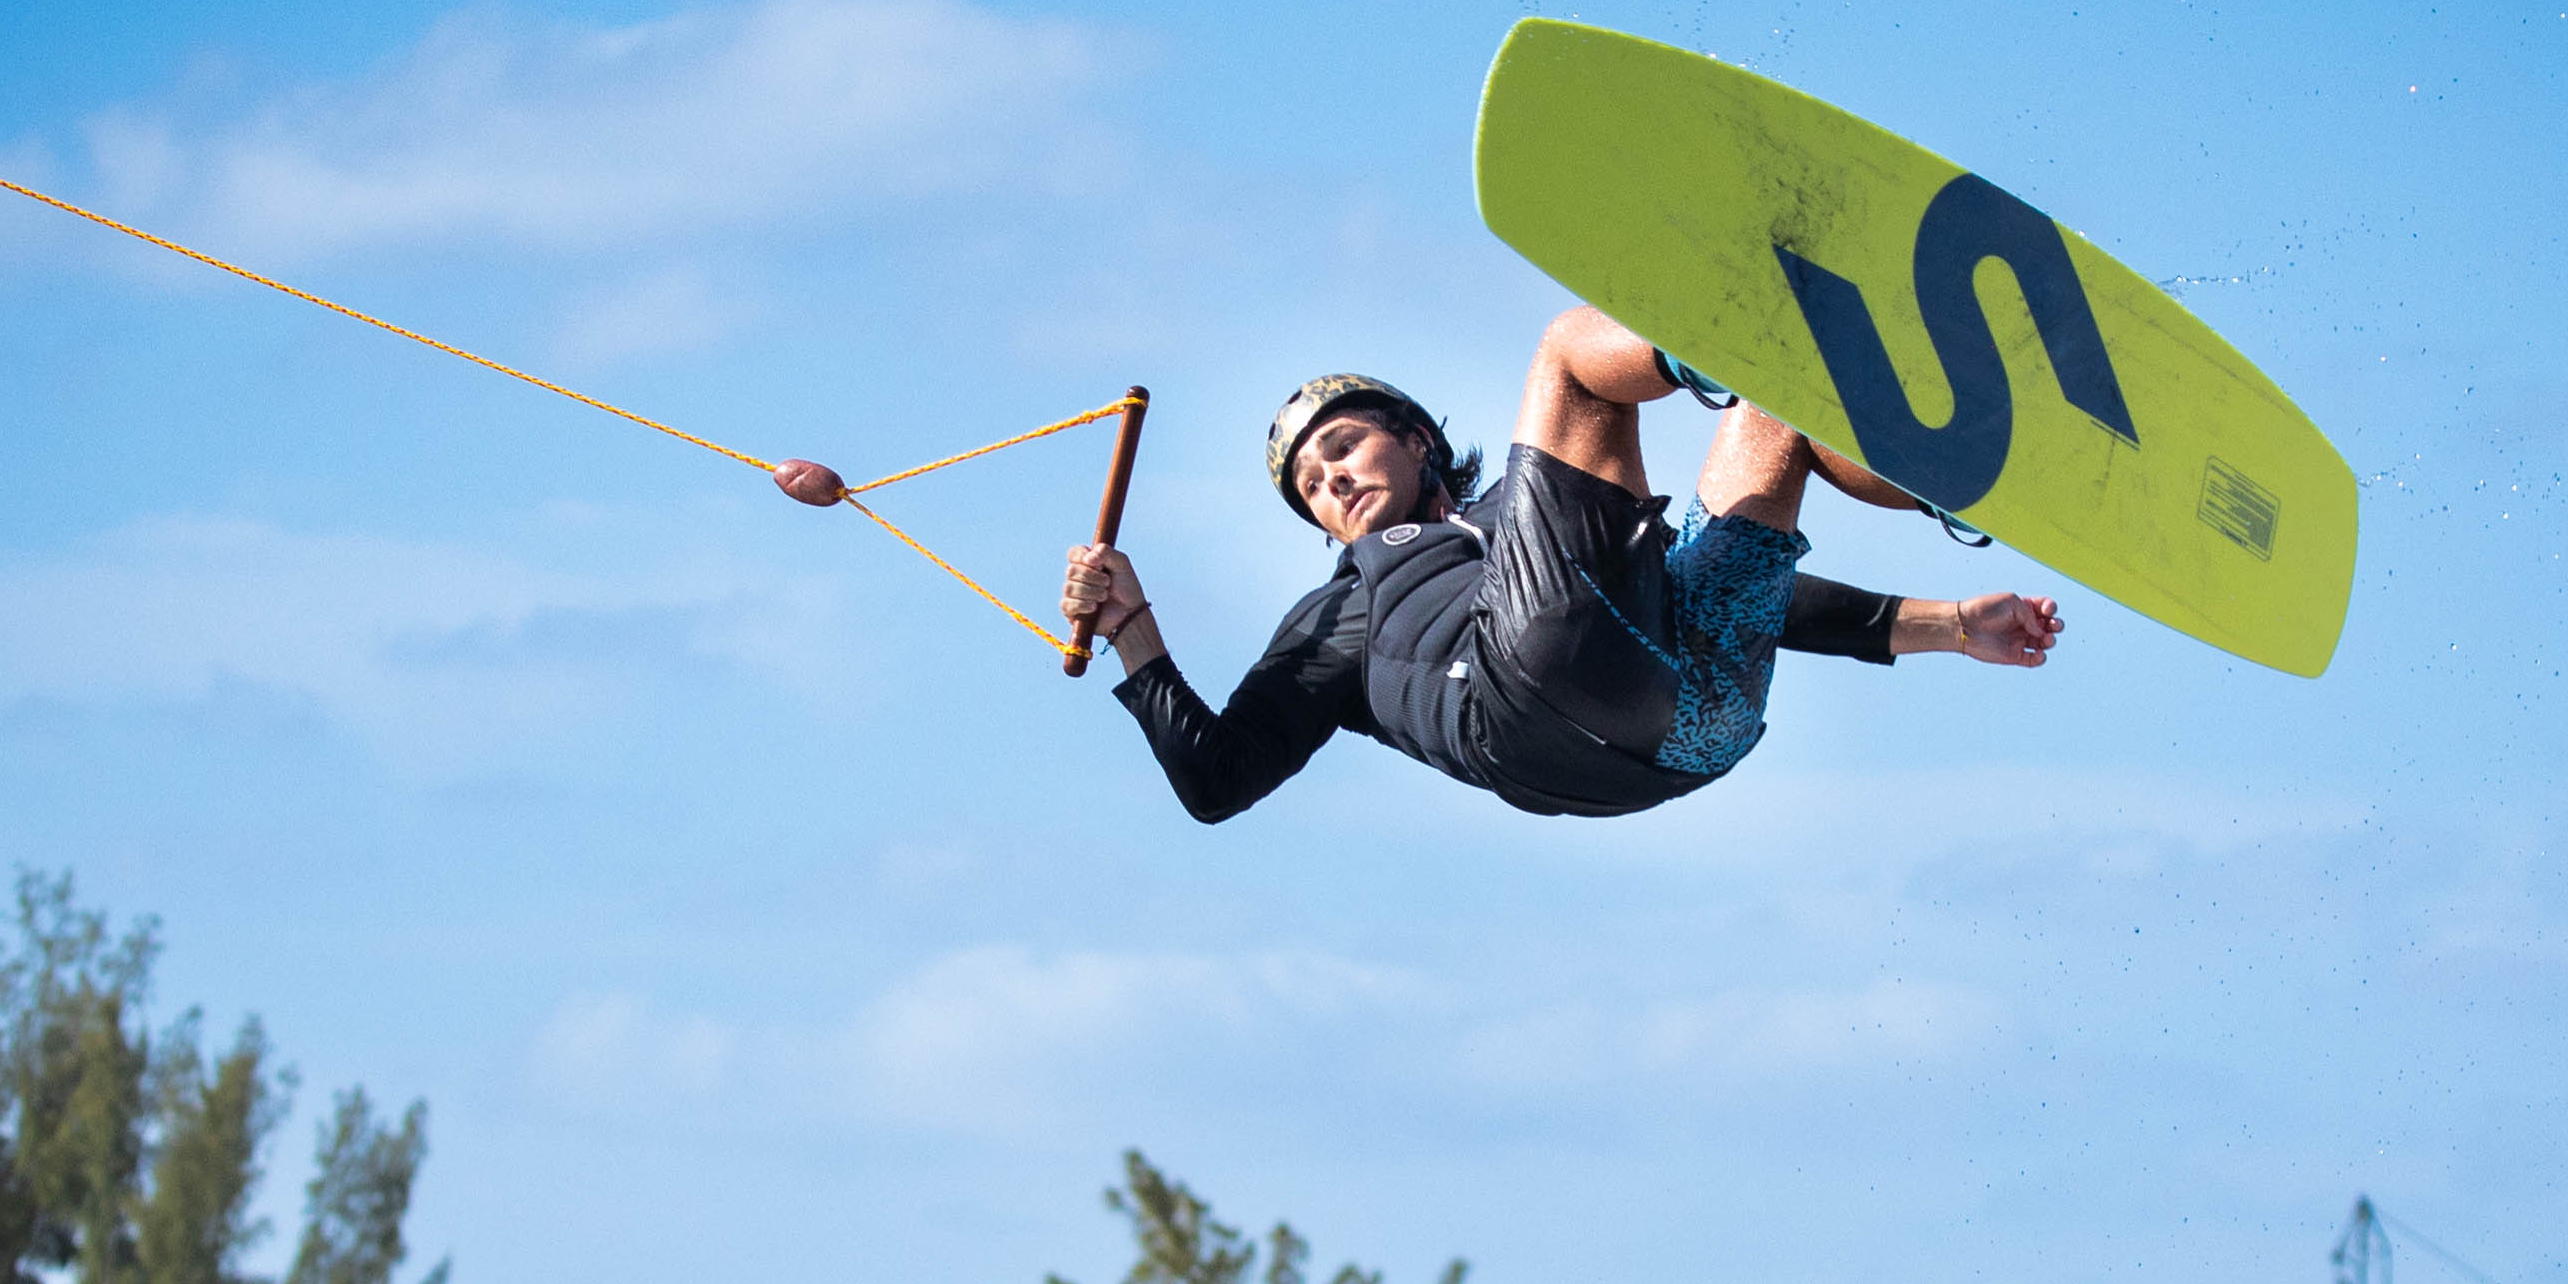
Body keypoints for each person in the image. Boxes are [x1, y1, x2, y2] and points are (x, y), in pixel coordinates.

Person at [837, 306, 2059, 823]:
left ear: (1418, 441)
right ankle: (1714, 339)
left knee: (1776, 422)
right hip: (1535, 700)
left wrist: (1952, 625)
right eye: (1308, 485)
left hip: (1699, 731)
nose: (1329, 477)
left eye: (1344, 446)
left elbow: (1755, 599)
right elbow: (1214, 782)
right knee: (1572, 354)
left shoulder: (1518, 525)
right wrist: (1135, 632)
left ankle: (1951, 478)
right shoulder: (1336, 621)